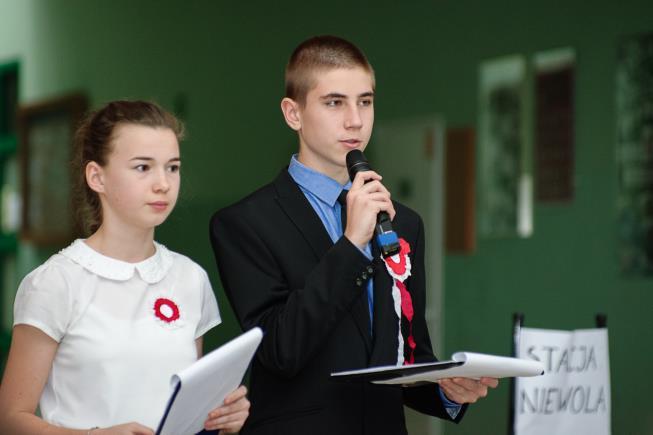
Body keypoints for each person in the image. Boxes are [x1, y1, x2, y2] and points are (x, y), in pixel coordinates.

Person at [209, 35, 498, 434]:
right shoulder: (244, 224)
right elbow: (280, 350)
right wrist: (350, 245)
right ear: (293, 114)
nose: (355, 120)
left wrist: (447, 389)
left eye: (365, 101)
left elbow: (404, 358)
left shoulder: (404, 222)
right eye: (334, 103)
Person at [0, 101, 250, 435]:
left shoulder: (190, 278)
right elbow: (9, 419)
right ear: (96, 176)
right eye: (142, 167)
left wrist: (222, 418)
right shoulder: (55, 282)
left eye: (172, 167)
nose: (163, 183)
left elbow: (183, 406)